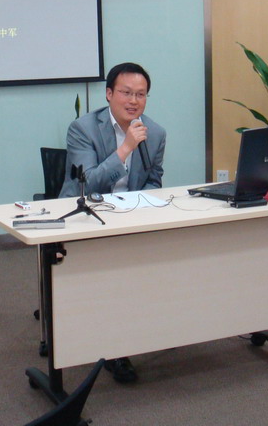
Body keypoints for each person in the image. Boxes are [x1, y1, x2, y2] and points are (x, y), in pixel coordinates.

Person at [59, 62, 166, 383]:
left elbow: (154, 180)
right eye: (126, 93)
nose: (133, 101)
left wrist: (141, 205)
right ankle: (115, 348)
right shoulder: (83, 129)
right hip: (84, 215)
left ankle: (157, 328)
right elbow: (88, 183)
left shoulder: (156, 132)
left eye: (141, 95)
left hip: (128, 217)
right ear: (109, 94)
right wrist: (126, 148)